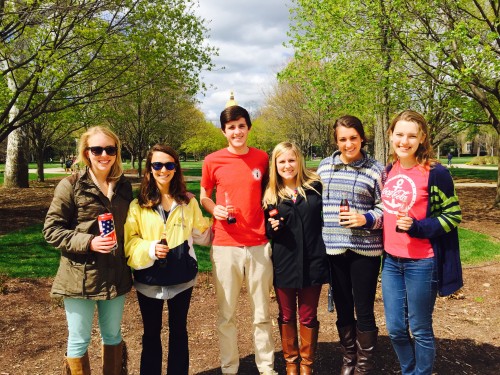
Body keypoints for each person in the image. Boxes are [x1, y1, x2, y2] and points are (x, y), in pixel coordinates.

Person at [43, 126, 133, 374]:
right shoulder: (71, 185)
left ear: (116, 152)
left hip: (116, 274)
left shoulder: (123, 186)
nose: (104, 154)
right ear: (86, 152)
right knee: (79, 340)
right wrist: (89, 242)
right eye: (97, 149)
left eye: (110, 149)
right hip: (79, 277)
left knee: (113, 336)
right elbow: (51, 230)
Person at [381, 110, 463, 375]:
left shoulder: (435, 173)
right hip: (392, 261)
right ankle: (409, 371)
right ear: (390, 135)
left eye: (411, 136)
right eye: (400, 134)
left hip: (422, 262)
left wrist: (419, 227)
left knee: (420, 328)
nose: (404, 141)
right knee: (394, 329)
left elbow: (453, 216)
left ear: (422, 138)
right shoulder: (388, 171)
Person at [200, 104, 276, 375]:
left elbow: (272, 192)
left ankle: (266, 368)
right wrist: (214, 208)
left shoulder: (262, 159)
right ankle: (229, 368)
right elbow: (204, 195)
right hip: (225, 246)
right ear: (224, 131)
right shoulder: (212, 160)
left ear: (248, 128)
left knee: (262, 314)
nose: (237, 131)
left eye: (241, 126)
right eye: (231, 127)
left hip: (258, 244)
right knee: (226, 315)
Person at [124, 144, 212, 375]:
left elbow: (202, 234)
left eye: (169, 165)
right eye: (158, 165)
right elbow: (130, 243)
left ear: (176, 168)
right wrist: (151, 248)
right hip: (149, 279)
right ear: (149, 170)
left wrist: (226, 218)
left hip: (181, 278)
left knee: (179, 331)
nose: (164, 170)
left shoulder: (188, 202)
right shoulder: (137, 206)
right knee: (151, 333)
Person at [317, 115, 385, 374]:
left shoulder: (376, 169)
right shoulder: (324, 168)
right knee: (343, 307)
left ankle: (364, 364)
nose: (348, 144)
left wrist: (365, 218)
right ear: (336, 141)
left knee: (364, 308)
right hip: (334, 248)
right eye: (343, 139)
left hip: (364, 250)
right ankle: (349, 358)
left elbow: (385, 208)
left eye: (353, 138)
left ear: (362, 138)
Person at [263, 142, 329, 375]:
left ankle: (307, 366)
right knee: (287, 314)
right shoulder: (270, 194)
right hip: (285, 263)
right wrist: (272, 227)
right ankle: (291, 363)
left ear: (299, 161)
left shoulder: (316, 187)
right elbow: (265, 230)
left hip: (313, 261)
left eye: (291, 160)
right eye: (282, 161)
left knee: (309, 315)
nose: (287, 165)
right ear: (275, 164)